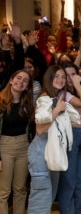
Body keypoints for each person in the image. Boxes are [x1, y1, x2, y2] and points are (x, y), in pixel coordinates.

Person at [27, 65, 80, 214]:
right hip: (41, 152)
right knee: (41, 200)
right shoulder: (44, 98)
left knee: (48, 198)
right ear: (48, 78)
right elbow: (40, 128)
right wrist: (57, 110)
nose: (61, 80)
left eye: (63, 77)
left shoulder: (57, 98)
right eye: (56, 76)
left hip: (55, 151)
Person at [57, 61, 81, 214]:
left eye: (73, 74)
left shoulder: (77, 91)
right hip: (71, 135)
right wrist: (78, 83)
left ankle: (78, 211)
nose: (71, 78)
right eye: (67, 75)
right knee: (69, 181)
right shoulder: (62, 94)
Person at [0, 70, 35, 214]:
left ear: (27, 86)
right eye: (18, 78)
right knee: (4, 191)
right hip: (4, 146)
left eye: (25, 80)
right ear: (10, 80)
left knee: (20, 189)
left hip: (23, 146)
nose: (21, 82)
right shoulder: (1, 102)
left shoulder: (27, 104)